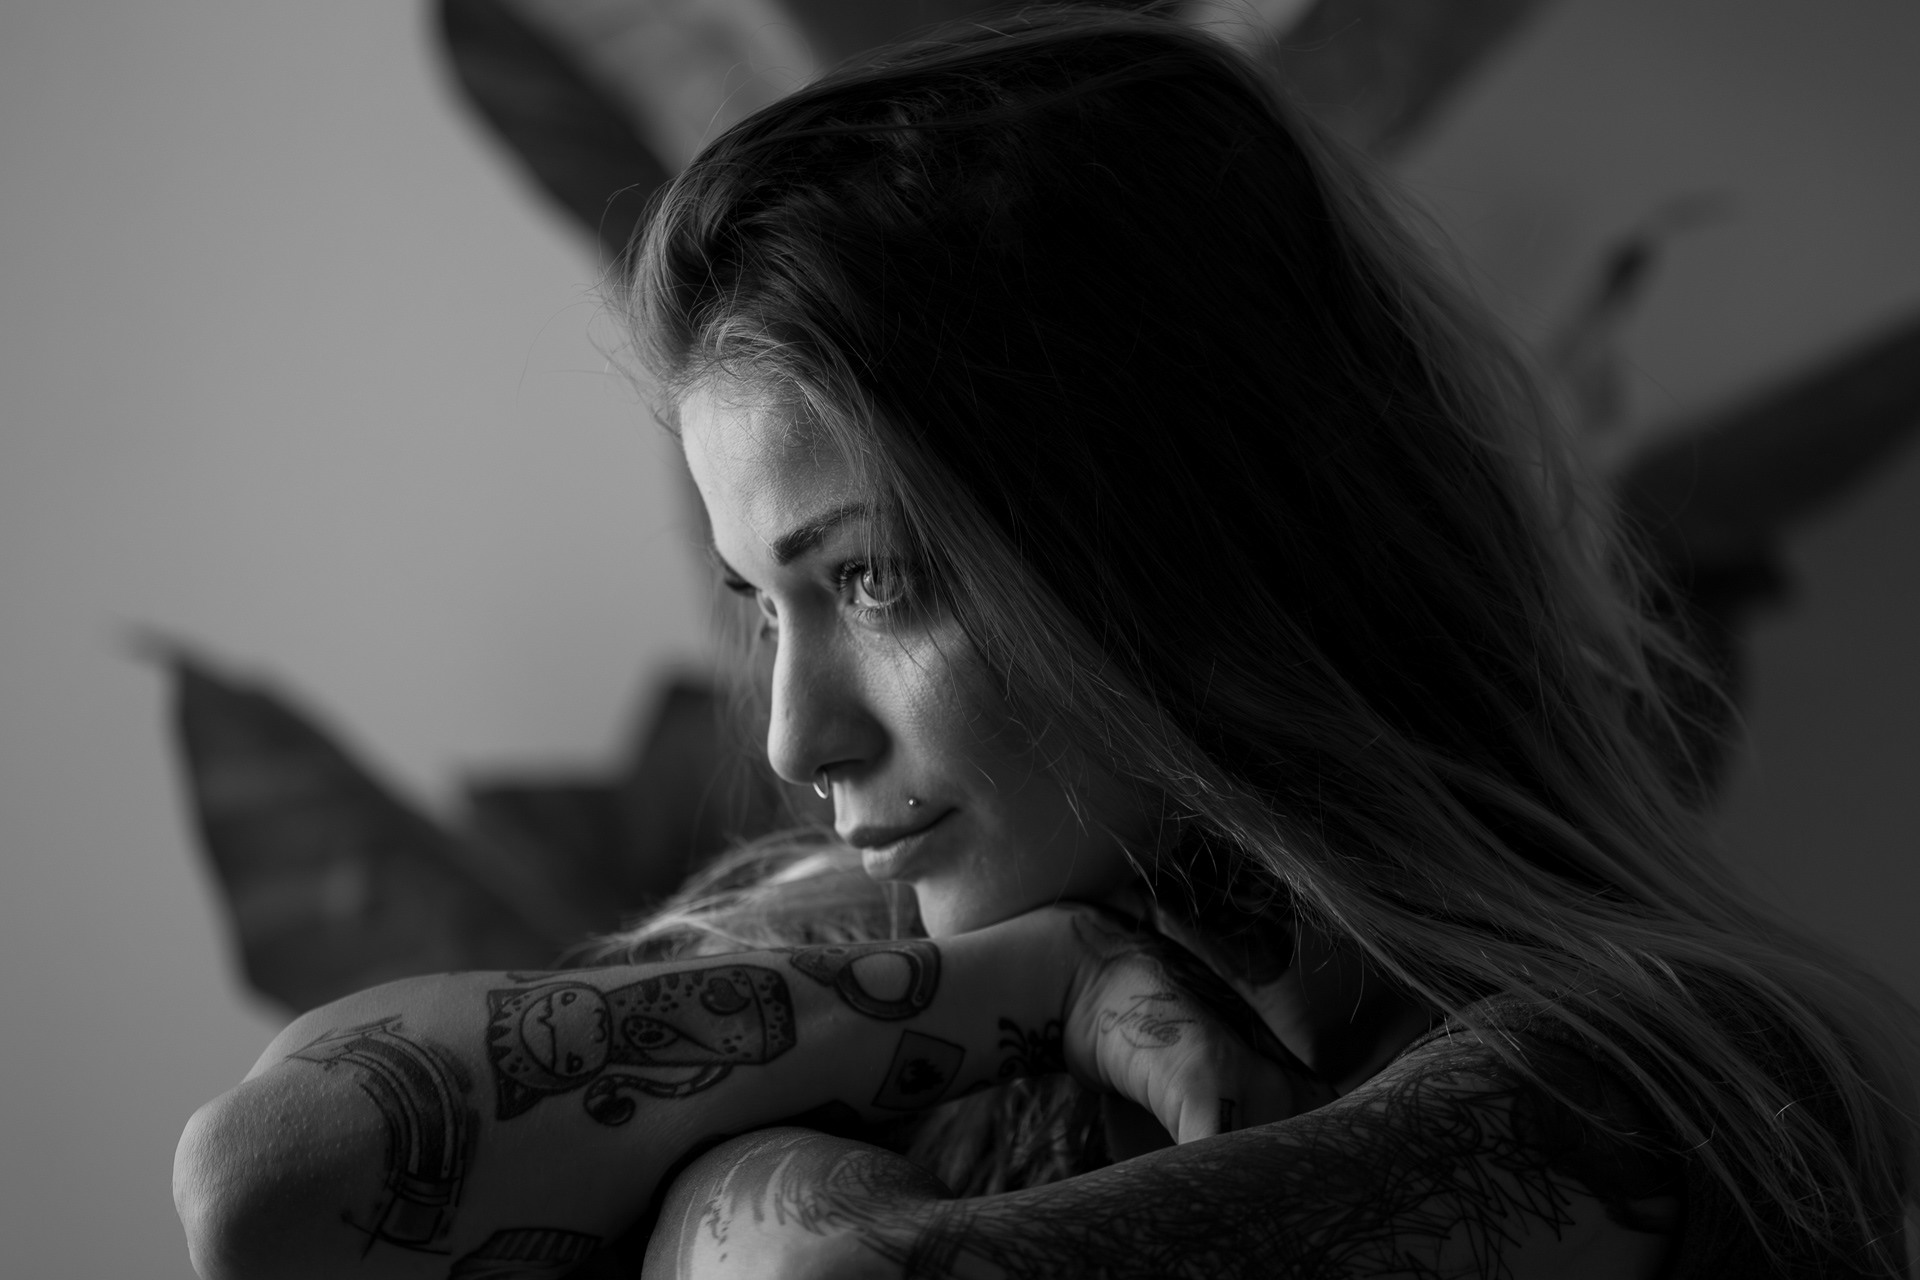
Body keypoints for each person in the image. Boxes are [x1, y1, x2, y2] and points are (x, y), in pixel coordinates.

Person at [173, 9, 1918, 1278]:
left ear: (1178, 552)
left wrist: (729, 1181)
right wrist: (1040, 983)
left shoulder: (1651, 1082)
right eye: (759, 604)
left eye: (873, 583)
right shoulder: (916, 968)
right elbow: (266, 1181)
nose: (793, 737)